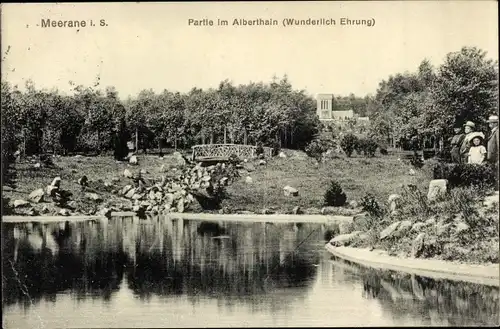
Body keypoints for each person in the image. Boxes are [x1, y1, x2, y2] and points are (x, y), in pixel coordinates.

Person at [486, 115, 499, 190]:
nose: (489, 124)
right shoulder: (492, 132)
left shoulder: (497, 132)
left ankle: (496, 187)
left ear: (495, 124)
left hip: (495, 157)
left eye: (491, 123)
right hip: (492, 157)